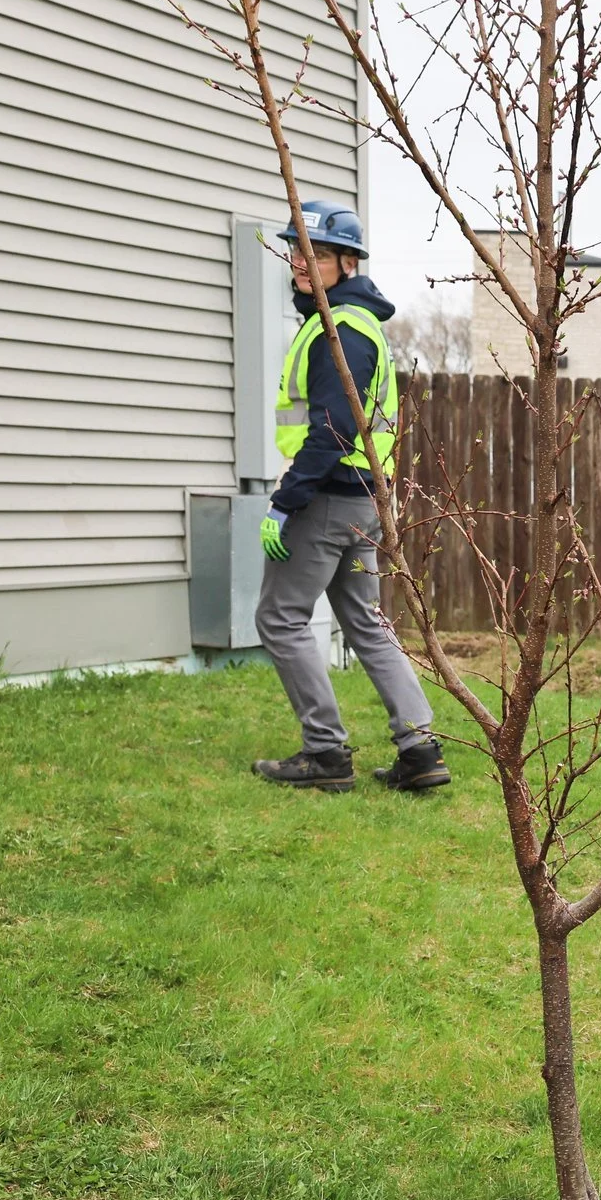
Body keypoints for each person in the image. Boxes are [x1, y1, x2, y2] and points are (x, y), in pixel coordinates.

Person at [248, 200, 448, 795]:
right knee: (365, 619)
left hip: (329, 500)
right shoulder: (354, 323)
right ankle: (419, 749)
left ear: (347, 261)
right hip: (361, 503)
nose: (300, 263)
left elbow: (332, 428)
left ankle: (325, 751)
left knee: (279, 618)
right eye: (295, 251)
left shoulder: (340, 331)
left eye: (315, 254)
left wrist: (286, 502)